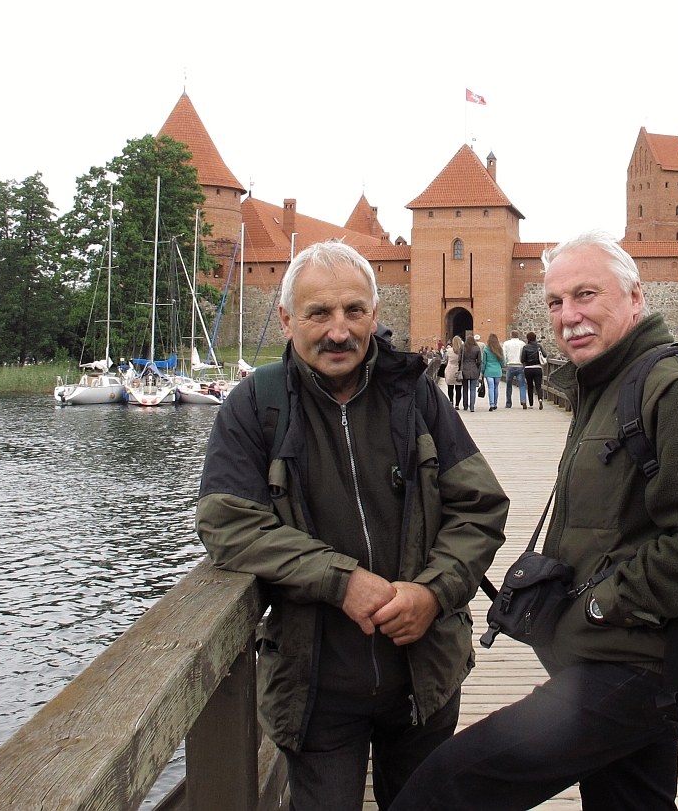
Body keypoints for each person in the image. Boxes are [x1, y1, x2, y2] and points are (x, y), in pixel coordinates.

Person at [390, 230, 678, 811]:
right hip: (623, 652)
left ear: (635, 296)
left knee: (446, 787)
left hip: (641, 660)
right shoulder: (608, 383)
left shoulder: (675, 388)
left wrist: (601, 606)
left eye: (586, 295)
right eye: (556, 301)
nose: (567, 315)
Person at [196, 241, 509, 811]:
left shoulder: (411, 393)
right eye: (318, 313)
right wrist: (340, 581)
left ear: (374, 312)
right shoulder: (256, 404)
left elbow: (479, 505)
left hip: (423, 677)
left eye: (353, 311)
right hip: (316, 689)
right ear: (287, 319)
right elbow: (227, 523)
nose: (338, 331)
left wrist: (433, 592)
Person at [521, 331, 547, 410]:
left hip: (528, 368)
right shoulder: (539, 346)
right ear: (535, 338)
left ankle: (531, 404)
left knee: (530, 386)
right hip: (537, 368)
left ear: (527, 338)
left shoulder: (525, 347)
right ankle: (540, 399)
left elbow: (522, 359)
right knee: (538, 386)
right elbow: (545, 354)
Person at [501, 331, 527, 408]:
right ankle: (523, 400)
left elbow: (504, 354)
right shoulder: (522, 343)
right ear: (518, 335)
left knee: (509, 385)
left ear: (511, 335)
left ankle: (508, 403)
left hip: (510, 365)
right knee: (522, 385)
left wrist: (505, 363)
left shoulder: (506, 343)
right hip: (519, 365)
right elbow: (524, 355)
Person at [459, 333, 483, 412]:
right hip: (473, 369)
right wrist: (477, 367)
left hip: (464, 369)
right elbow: (479, 361)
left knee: (465, 388)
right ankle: (472, 406)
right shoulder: (476, 348)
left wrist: (460, 368)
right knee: (473, 389)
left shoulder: (462, 347)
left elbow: (459, 359)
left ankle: (465, 405)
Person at [482, 334, 504, 411]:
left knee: (490, 387)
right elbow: (503, 360)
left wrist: (483, 370)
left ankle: (491, 404)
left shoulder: (486, 349)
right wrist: (500, 366)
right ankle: (495, 403)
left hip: (489, 370)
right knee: (496, 387)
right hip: (497, 370)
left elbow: (484, 362)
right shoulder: (499, 349)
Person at [444, 335, 464, 409]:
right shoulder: (462, 351)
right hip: (458, 370)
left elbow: (446, 360)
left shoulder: (449, 350)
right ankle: (457, 404)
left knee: (450, 387)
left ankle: (451, 401)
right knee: (458, 389)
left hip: (450, 370)